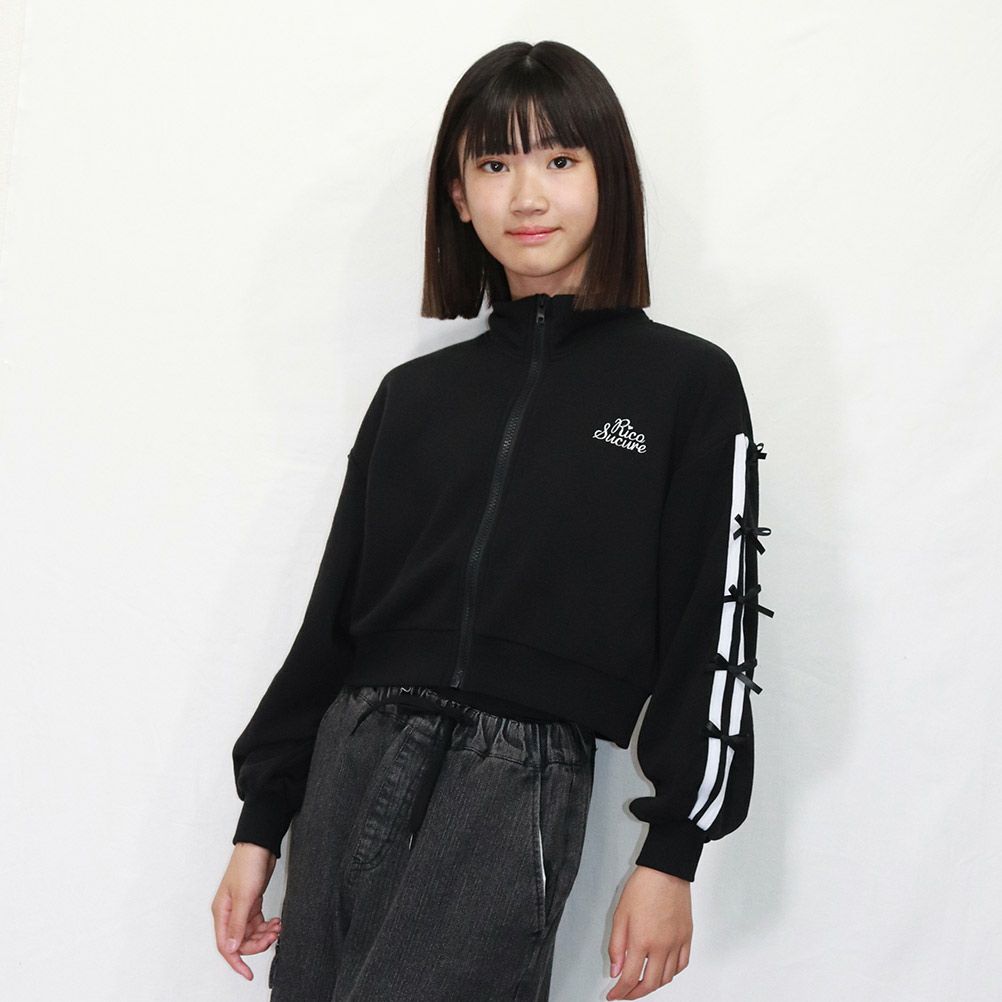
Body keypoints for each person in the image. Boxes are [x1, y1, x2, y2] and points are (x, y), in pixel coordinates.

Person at [211, 39, 771, 1002]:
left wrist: (674, 850)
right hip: (353, 751)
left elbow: (712, 625)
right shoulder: (416, 394)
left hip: (514, 779)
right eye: (495, 163)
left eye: (560, 159)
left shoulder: (686, 385)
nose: (528, 195)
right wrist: (261, 823)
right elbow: (333, 620)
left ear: (610, 176)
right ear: (459, 196)